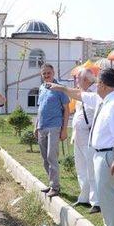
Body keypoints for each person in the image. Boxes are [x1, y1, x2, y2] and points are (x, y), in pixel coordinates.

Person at [46, 68, 114, 226]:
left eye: (97, 84)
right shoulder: (105, 99)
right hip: (101, 153)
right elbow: (80, 94)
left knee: (108, 195)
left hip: (110, 153)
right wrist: (61, 88)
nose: (95, 88)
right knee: (103, 194)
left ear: (102, 85)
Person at [34, 63, 70, 198]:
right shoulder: (42, 88)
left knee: (51, 156)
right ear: (41, 75)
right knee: (44, 158)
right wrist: (36, 126)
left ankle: (55, 187)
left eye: (48, 73)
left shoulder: (59, 88)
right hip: (42, 127)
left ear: (53, 73)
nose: (46, 75)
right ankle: (51, 184)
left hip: (54, 126)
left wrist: (64, 129)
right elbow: (40, 109)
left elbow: (67, 109)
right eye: (44, 74)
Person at [71, 69, 100, 214]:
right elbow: (79, 114)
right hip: (79, 136)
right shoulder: (81, 94)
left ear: (87, 80)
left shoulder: (94, 93)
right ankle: (84, 198)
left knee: (92, 170)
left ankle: (96, 202)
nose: (76, 82)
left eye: (78, 79)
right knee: (81, 168)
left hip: (89, 137)